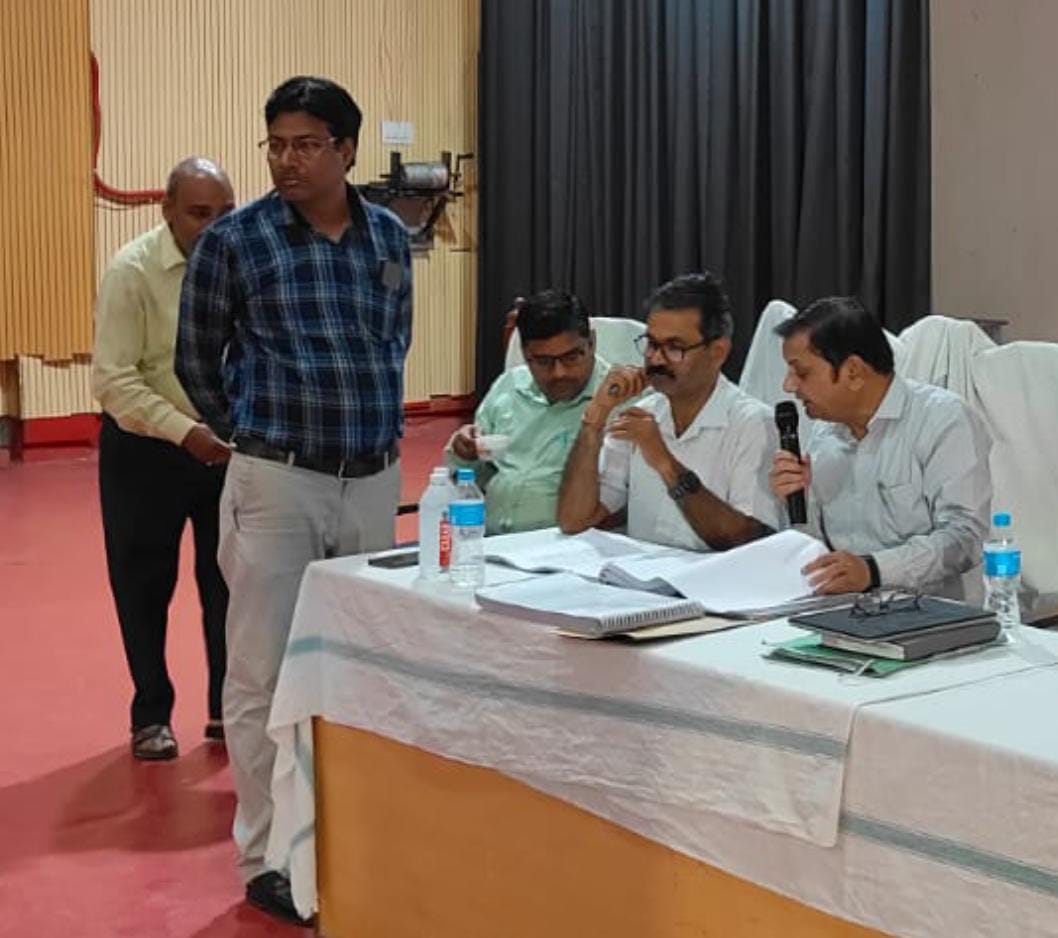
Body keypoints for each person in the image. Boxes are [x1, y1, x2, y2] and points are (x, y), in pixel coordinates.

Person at [176, 77, 412, 926]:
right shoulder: (235, 242)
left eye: (306, 144)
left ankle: (340, 837)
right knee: (262, 671)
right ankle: (269, 856)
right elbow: (197, 360)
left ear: (346, 150)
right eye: (276, 143)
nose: (286, 160)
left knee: (354, 664)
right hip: (276, 479)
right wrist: (251, 432)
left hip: (373, 478)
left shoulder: (390, 235)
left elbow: (393, 344)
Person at [92, 157, 235, 762]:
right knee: (144, 585)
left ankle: (227, 707)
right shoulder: (132, 272)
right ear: (168, 211)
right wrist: (184, 432)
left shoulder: (239, 264)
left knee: (229, 583)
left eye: (225, 213)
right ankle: (151, 714)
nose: (213, 226)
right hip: (145, 448)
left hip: (225, 445)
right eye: (199, 213)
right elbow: (114, 380)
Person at [768, 296, 992, 597]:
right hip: (841, 611)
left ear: (853, 371)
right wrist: (798, 503)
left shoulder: (943, 419)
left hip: (931, 615)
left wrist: (873, 571)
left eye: (802, 372)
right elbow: (820, 557)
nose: (788, 386)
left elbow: (965, 538)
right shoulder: (825, 433)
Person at [558, 272, 778, 550]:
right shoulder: (640, 415)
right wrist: (595, 417)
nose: (656, 359)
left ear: (718, 352)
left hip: (716, 575)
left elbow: (747, 540)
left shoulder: (754, 423)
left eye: (675, 348)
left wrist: (664, 462)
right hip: (642, 572)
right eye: (652, 344)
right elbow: (575, 521)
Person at [448, 290, 612, 533]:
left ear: (591, 343)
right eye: (544, 361)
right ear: (525, 354)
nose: (559, 373)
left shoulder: (618, 399)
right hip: (490, 540)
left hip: (571, 545)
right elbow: (472, 478)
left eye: (571, 357)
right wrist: (466, 453)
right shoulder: (509, 386)